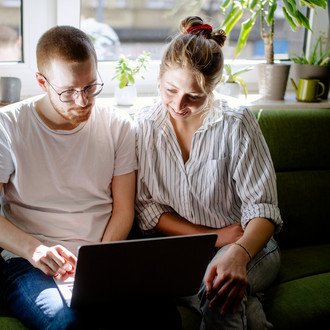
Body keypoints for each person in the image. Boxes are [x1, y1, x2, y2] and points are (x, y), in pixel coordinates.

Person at [135, 16, 283, 329]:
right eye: (170, 90)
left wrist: (238, 253)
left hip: (250, 244)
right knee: (242, 311)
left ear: (212, 89)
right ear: (160, 78)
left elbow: (263, 210)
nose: (178, 104)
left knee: (217, 290)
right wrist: (212, 237)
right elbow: (149, 210)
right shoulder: (144, 125)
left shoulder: (237, 121)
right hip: (188, 250)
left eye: (194, 96)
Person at [0, 25, 150, 329]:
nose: (82, 102)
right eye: (68, 92)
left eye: (90, 87)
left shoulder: (118, 126)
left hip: (100, 257)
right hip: (29, 262)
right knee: (68, 322)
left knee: (159, 317)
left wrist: (100, 263)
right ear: (42, 82)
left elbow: (124, 209)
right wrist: (35, 249)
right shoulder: (9, 126)